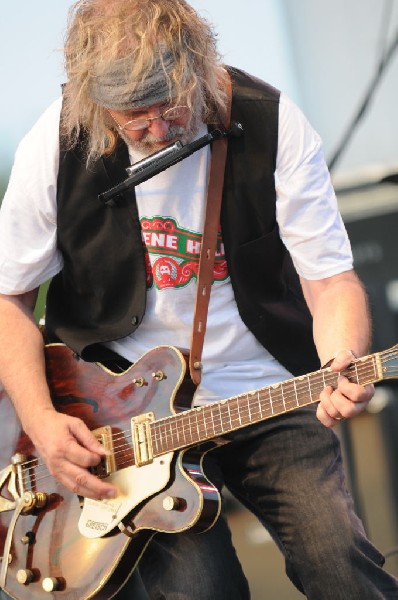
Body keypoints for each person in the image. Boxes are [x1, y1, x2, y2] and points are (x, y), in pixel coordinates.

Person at [0, 1, 397, 598]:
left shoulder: (272, 122)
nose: (157, 129)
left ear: (200, 66)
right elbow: (9, 299)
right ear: (92, 100)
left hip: (265, 391)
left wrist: (344, 359)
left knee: (340, 563)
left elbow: (330, 279)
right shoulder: (52, 146)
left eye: (170, 104)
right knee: (199, 590)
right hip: (123, 421)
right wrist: (42, 422)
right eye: (134, 115)